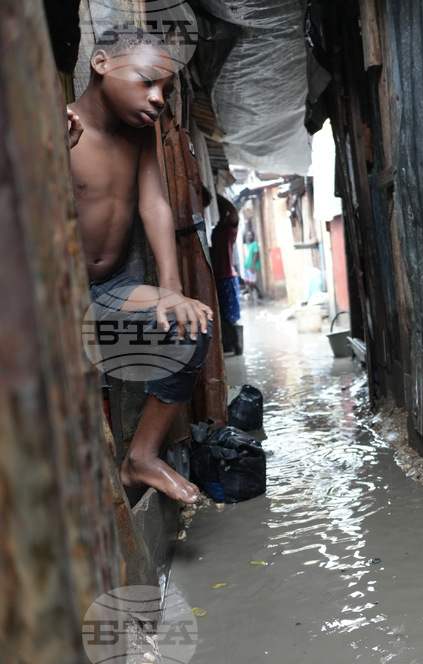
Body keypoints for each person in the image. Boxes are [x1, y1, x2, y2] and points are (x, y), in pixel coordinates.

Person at [68, 25, 212, 504]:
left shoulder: (141, 135)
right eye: (148, 81)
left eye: (166, 90)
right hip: (42, 296)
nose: (157, 99)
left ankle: (140, 458)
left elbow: (154, 205)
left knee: (190, 325)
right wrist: (48, 156)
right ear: (101, 63)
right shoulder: (59, 128)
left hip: (105, 287)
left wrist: (171, 289)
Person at [211, 196, 242, 354]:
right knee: (221, 315)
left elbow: (235, 213)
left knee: (230, 316)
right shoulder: (214, 231)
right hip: (216, 278)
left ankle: (236, 346)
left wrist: (219, 196)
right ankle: (229, 345)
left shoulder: (228, 229)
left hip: (227, 277)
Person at [243, 228, 262, 301]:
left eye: (250, 235)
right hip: (246, 266)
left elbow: (255, 254)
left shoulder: (254, 244)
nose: (248, 237)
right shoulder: (248, 245)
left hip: (252, 267)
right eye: (247, 236)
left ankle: (258, 292)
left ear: (253, 236)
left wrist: (252, 266)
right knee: (247, 282)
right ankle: (251, 296)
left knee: (252, 282)